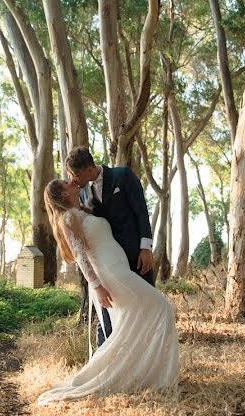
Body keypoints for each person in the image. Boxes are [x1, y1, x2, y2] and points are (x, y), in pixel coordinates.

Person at [37, 178, 179, 404]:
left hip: (119, 269)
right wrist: (97, 287)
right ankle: (156, 376)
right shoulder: (68, 217)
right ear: (63, 194)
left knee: (132, 324)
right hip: (111, 274)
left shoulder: (81, 210)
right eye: (66, 182)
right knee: (162, 308)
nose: (72, 181)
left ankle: (143, 374)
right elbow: (81, 257)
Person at [65, 146, 154, 345]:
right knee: (109, 312)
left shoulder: (123, 176)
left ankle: (146, 356)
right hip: (107, 264)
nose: (73, 180)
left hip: (135, 255)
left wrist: (146, 248)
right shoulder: (81, 192)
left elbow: (141, 210)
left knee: (145, 307)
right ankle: (105, 358)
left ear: (87, 169)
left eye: (74, 174)